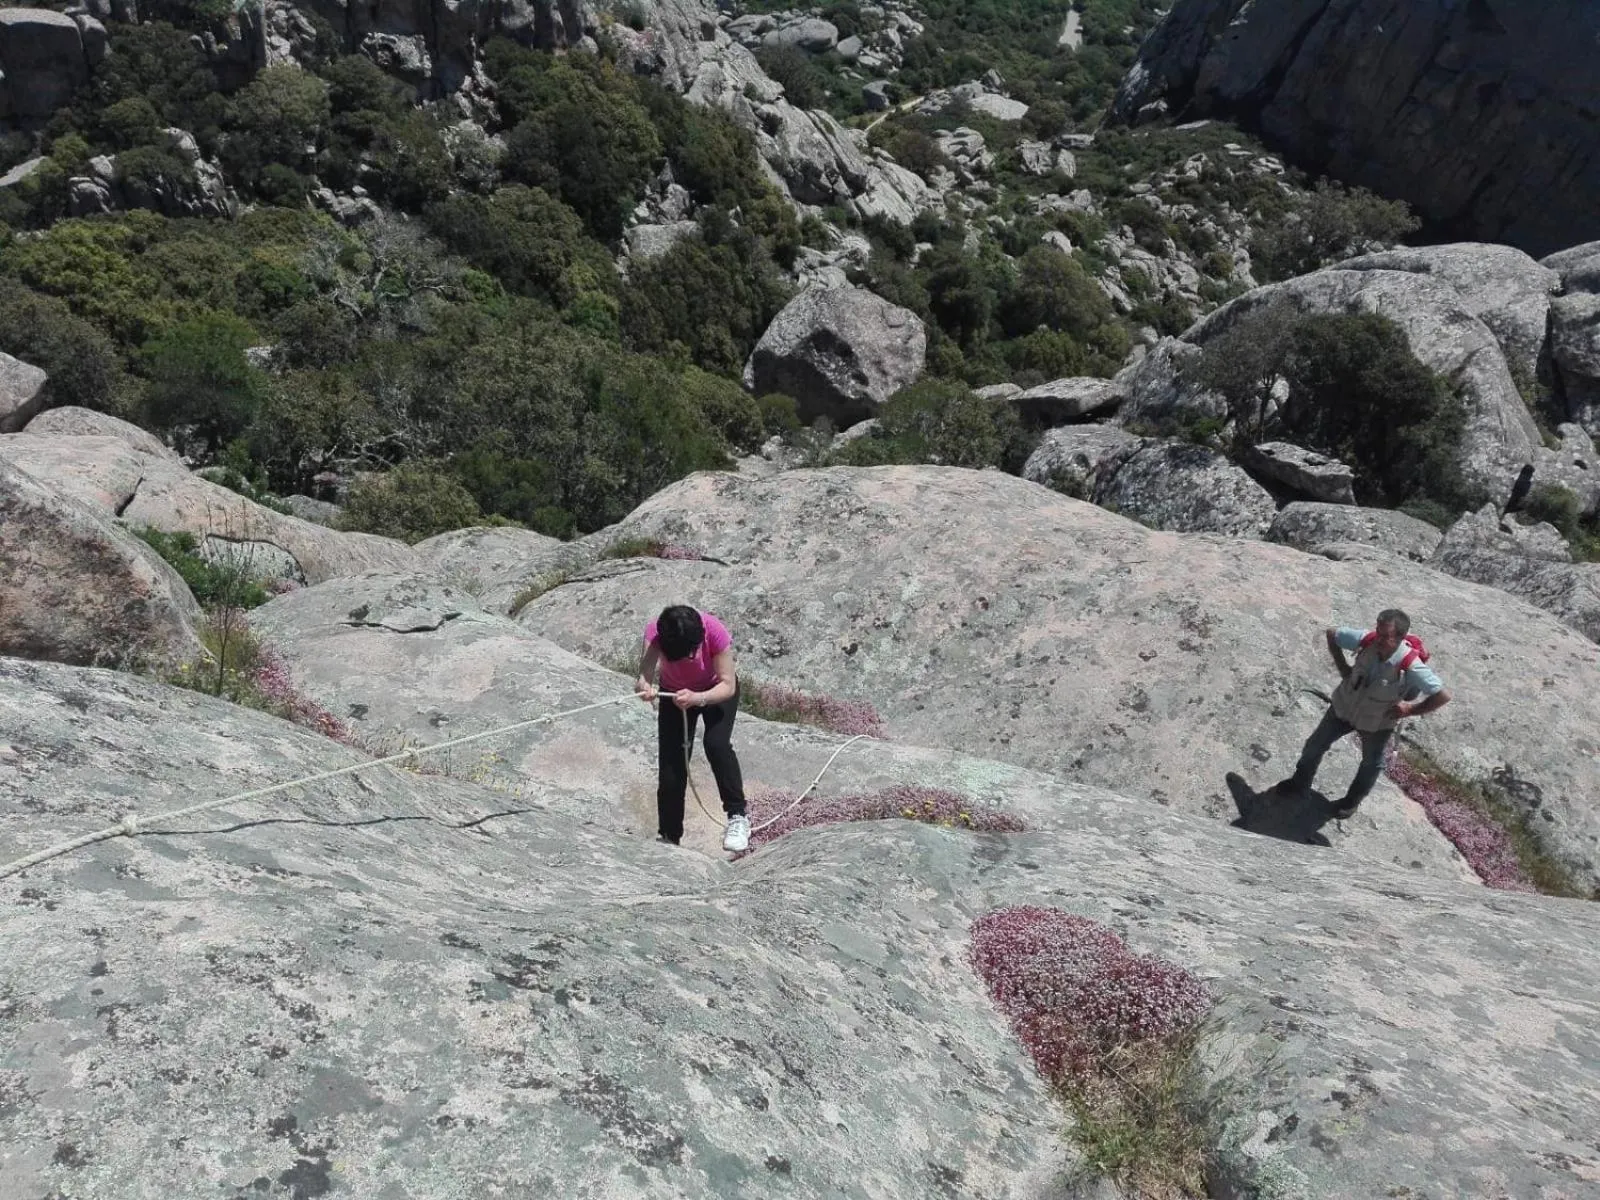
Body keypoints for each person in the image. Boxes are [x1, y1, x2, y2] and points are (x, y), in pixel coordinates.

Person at [1273, 609, 1451, 819]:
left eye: (1386, 636)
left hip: (1377, 722)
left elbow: (1443, 695)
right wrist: (1343, 668)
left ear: (1400, 638)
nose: (1379, 639)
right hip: (1343, 707)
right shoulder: (1367, 640)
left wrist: (1410, 710)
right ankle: (1299, 783)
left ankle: (1350, 803)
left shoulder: (1410, 664)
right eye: (1378, 631)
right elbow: (1332, 634)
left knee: (1371, 764)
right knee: (1314, 745)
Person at [635, 605, 751, 852]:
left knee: (716, 744)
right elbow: (644, 675)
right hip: (673, 695)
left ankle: (737, 816)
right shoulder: (656, 632)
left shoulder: (714, 631)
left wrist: (699, 698)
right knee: (671, 766)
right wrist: (645, 688)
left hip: (715, 691)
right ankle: (669, 835)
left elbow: (728, 685)